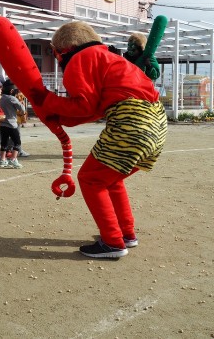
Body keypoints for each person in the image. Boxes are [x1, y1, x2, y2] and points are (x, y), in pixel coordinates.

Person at [30, 20, 167, 259]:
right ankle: (126, 234)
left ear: (63, 49)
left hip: (131, 122)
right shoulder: (110, 58)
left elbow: (83, 104)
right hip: (157, 122)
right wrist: (62, 117)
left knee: (91, 179)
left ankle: (113, 242)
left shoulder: (80, 60)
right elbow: (94, 109)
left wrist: (45, 99)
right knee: (110, 179)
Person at [0, 79, 25, 169]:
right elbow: (22, 109)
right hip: (12, 124)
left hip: (3, 124)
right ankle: (13, 159)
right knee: (17, 142)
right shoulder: (12, 98)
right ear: (12, 91)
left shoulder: (2, 98)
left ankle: (2, 160)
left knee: (4, 142)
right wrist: (19, 101)